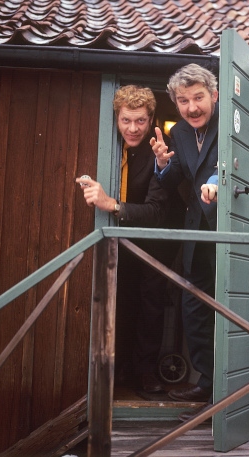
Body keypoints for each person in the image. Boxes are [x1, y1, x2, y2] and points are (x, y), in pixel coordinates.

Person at [76, 85, 185, 394]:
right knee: (122, 300)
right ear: (117, 118)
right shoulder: (113, 144)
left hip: (155, 239)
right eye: (126, 120)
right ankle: (122, 368)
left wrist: (111, 204)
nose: (133, 128)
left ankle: (146, 374)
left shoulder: (158, 152)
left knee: (150, 303)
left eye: (140, 121)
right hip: (120, 239)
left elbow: (155, 213)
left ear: (151, 120)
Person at [150, 63, 219, 421]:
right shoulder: (177, 132)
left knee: (234, 304)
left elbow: (236, 161)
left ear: (215, 96)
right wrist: (162, 164)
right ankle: (207, 382)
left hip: (230, 228)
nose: (192, 107)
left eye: (199, 98)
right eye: (183, 100)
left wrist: (218, 180)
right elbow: (176, 173)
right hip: (197, 231)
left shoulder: (233, 120)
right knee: (194, 306)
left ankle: (235, 386)